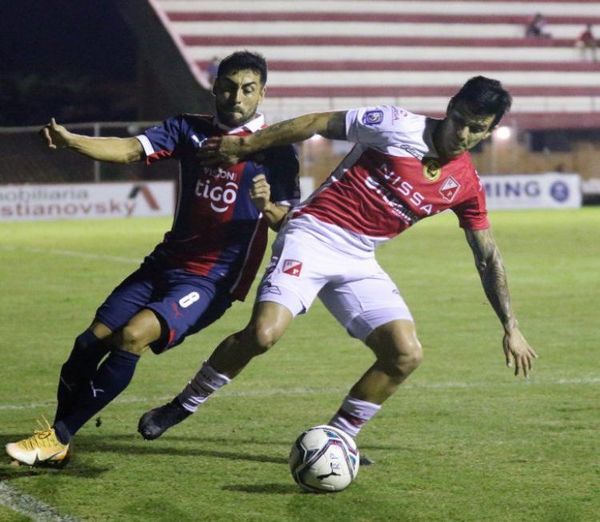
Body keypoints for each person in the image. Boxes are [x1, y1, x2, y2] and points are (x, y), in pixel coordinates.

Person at [138, 76, 538, 455]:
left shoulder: (466, 184)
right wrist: (245, 147)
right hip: (312, 235)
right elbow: (315, 122)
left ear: (489, 131)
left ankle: (338, 441)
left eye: (477, 130)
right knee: (262, 334)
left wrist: (511, 326)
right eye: (460, 122)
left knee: (405, 354)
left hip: (359, 258)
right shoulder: (395, 125)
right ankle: (182, 405)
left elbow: (487, 256)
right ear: (449, 109)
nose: (463, 136)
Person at [5, 51, 300, 467]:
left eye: (248, 89)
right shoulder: (188, 129)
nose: (237, 96)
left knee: (132, 336)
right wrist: (73, 142)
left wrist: (268, 206)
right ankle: (58, 444)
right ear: (215, 87)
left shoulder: (276, 151)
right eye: (229, 86)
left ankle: (56, 437)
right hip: (163, 264)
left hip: (212, 280)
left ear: (262, 93)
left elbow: (290, 222)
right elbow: (128, 149)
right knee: (86, 346)